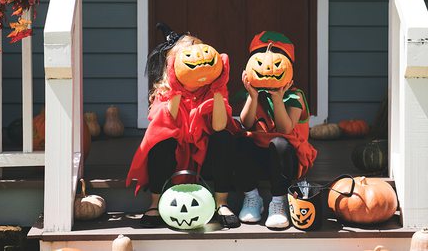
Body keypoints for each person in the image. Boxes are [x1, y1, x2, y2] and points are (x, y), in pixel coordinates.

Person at [126, 23, 241, 228]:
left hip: (205, 158)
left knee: (223, 137)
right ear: (174, 66)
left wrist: (218, 88)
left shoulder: (213, 91)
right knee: (161, 140)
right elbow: (166, 124)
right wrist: (176, 89)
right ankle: (154, 203)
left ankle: (222, 202)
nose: (197, 66)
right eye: (188, 61)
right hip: (174, 159)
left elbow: (219, 125)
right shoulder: (165, 92)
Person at [235, 31, 317, 229]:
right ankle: (252, 197)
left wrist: (278, 98)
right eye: (261, 61)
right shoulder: (252, 94)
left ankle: (278, 201)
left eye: (277, 63)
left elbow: (285, 129)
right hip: (261, 157)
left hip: (286, 159)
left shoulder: (294, 97)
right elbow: (246, 123)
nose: (269, 67)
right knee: (242, 140)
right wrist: (253, 97)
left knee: (279, 143)